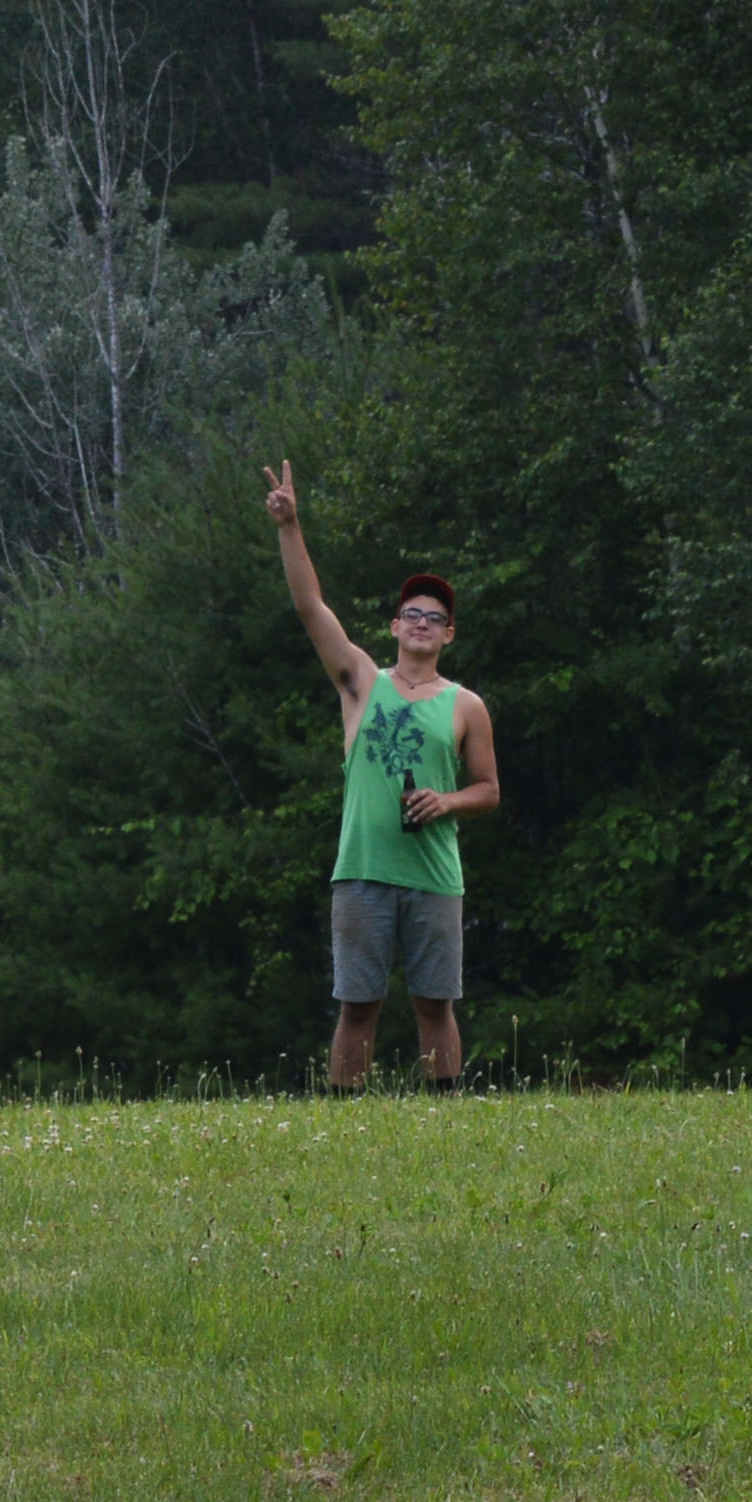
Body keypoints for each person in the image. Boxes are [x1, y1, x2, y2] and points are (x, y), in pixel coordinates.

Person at [266, 458, 500, 1094]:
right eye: (411, 613)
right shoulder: (362, 684)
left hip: (433, 876)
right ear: (396, 626)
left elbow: (489, 791)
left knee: (435, 1005)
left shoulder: (466, 705)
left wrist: (446, 801)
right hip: (362, 870)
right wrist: (290, 526)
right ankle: (346, 1118)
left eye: (434, 617)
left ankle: (444, 1114)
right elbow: (310, 605)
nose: (421, 622)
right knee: (358, 1007)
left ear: (448, 634)